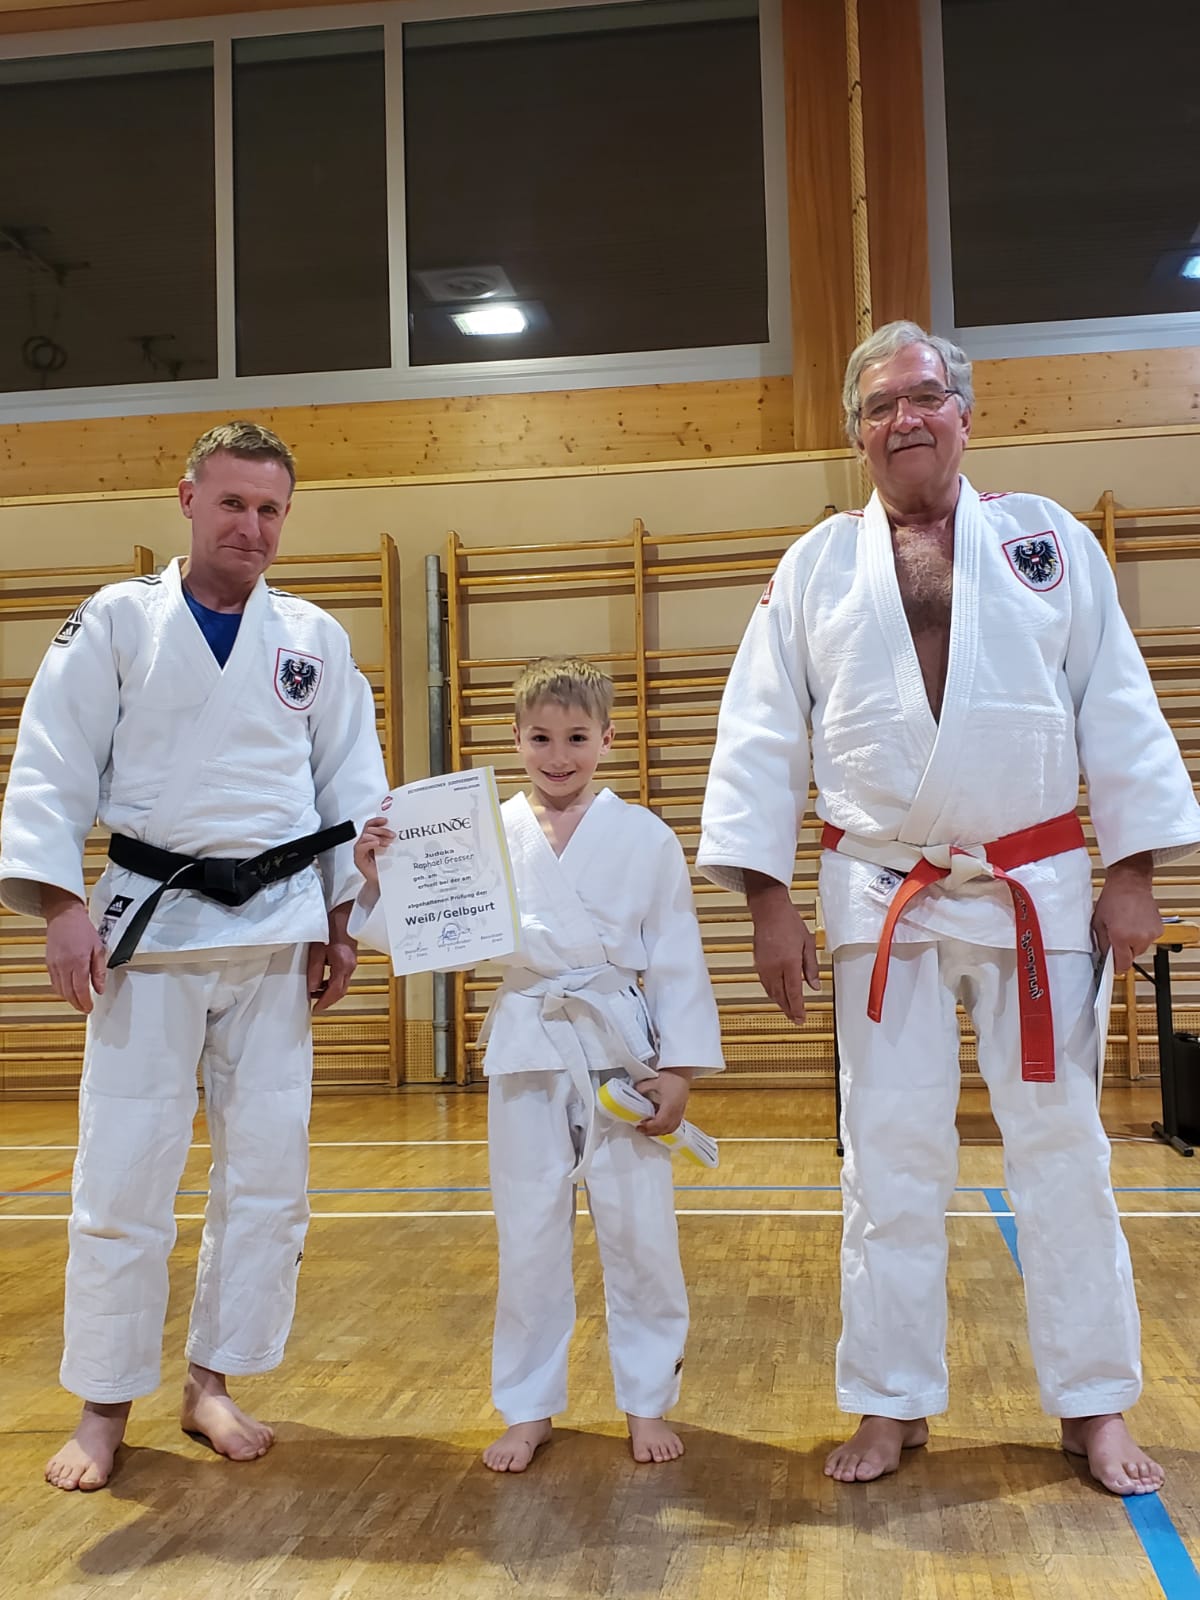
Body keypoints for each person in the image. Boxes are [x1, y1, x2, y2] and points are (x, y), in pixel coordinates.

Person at [697, 321, 1200, 1495]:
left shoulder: (1048, 542)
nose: (905, 419)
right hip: (882, 889)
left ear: (966, 415)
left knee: (1064, 1147)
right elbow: (761, 735)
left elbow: (1116, 702)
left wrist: (1133, 870)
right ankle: (890, 1397)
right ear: (856, 434)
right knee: (888, 1149)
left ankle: (1095, 1401)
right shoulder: (816, 565)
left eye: (924, 396)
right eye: (880, 406)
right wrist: (768, 899)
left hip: (1035, 885)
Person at [0, 421, 388, 1491]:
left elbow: (351, 791)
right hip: (152, 927)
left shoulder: (311, 636)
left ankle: (210, 1380)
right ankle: (103, 1404)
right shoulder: (117, 621)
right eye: (232, 503)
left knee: (266, 1173)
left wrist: (343, 918)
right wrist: (58, 905)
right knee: (123, 1171)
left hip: (276, 932)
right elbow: (49, 766)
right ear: (186, 499)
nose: (251, 527)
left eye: (270, 510)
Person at [353, 656, 724, 1472]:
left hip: (620, 1045)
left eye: (578, 739)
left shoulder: (645, 837)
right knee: (527, 1232)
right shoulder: (484, 833)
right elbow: (434, 935)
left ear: (608, 739)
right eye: (543, 739)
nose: (560, 757)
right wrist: (382, 881)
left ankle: (646, 1401)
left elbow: (676, 957)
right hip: (528, 1036)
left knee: (641, 1231)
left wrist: (681, 1071)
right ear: (516, 739)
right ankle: (528, 1408)